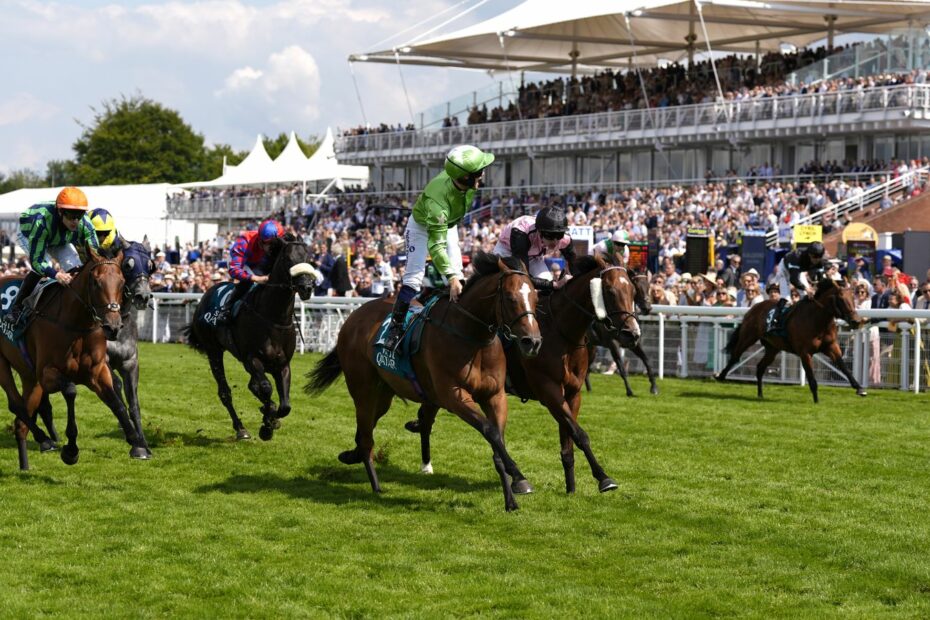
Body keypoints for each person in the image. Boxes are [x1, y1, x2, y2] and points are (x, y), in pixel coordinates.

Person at [382, 144, 495, 351]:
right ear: (466, 177)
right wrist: (450, 277)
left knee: (458, 272)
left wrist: (453, 276)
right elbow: (436, 246)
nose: (483, 174)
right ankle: (395, 328)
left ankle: (461, 322)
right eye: (479, 172)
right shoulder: (438, 205)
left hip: (446, 224)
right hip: (421, 228)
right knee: (414, 277)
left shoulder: (463, 180)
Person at [5, 186, 100, 326]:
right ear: (60, 212)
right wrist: (56, 275)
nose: (75, 221)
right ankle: (16, 308)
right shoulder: (41, 222)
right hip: (31, 235)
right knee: (45, 267)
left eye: (79, 215)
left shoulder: (85, 224)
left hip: (59, 238)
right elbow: (37, 262)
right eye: (71, 215)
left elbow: (96, 256)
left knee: (75, 266)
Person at [493, 205, 577, 291]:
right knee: (519, 287)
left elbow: (574, 265)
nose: (555, 242)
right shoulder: (521, 233)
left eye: (559, 235)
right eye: (551, 236)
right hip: (507, 251)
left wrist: (570, 276)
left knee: (547, 288)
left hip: (534, 256)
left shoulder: (565, 239)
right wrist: (555, 284)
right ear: (539, 232)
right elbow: (523, 276)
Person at [216, 219, 284, 323]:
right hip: (241, 263)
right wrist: (255, 278)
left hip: (259, 262)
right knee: (249, 281)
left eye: (277, 243)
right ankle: (226, 309)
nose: (275, 248)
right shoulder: (244, 242)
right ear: (261, 242)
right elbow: (234, 270)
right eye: (271, 244)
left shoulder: (275, 242)